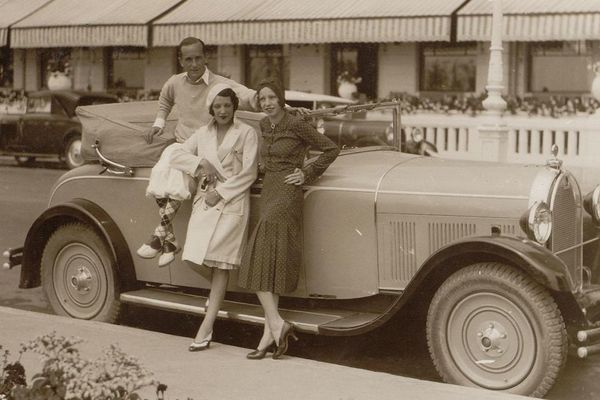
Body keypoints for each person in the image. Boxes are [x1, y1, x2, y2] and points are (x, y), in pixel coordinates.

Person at [237, 78, 340, 360]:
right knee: (270, 261)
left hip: (287, 193)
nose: (267, 103)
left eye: (271, 98)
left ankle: (277, 324)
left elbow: (331, 148)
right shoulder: (263, 124)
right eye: (262, 99)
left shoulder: (295, 123)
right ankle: (270, 330)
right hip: (270, 189)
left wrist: (306, 173)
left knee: (257, 257)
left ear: (280, 99)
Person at [137, 36, 258, 266]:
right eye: (189, 59)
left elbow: (248, 96)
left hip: (208, 148)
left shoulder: (220, 84)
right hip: (184, 146)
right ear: (181, 60)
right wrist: (158, 125)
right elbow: (164, 102)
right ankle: (167, 238)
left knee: (180, 184)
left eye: (198, 58)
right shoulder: (174, 82)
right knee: (161, 173)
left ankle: (161, 237)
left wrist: (275, 102)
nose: (194, 64)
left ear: (206, 57)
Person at [169, 83, 259, 351]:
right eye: (217, 106)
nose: (222, 111)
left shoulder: (247, 133)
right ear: (211, 108)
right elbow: (175, 154)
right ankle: (216, 295)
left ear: (234, 107)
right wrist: (200, 164)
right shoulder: (202, 134)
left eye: (227, 105)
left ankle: (205, 328)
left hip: (231, 202)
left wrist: (220, 193)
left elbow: (249, 173)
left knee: (221, 266)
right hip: (205, 202)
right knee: (192, 257)